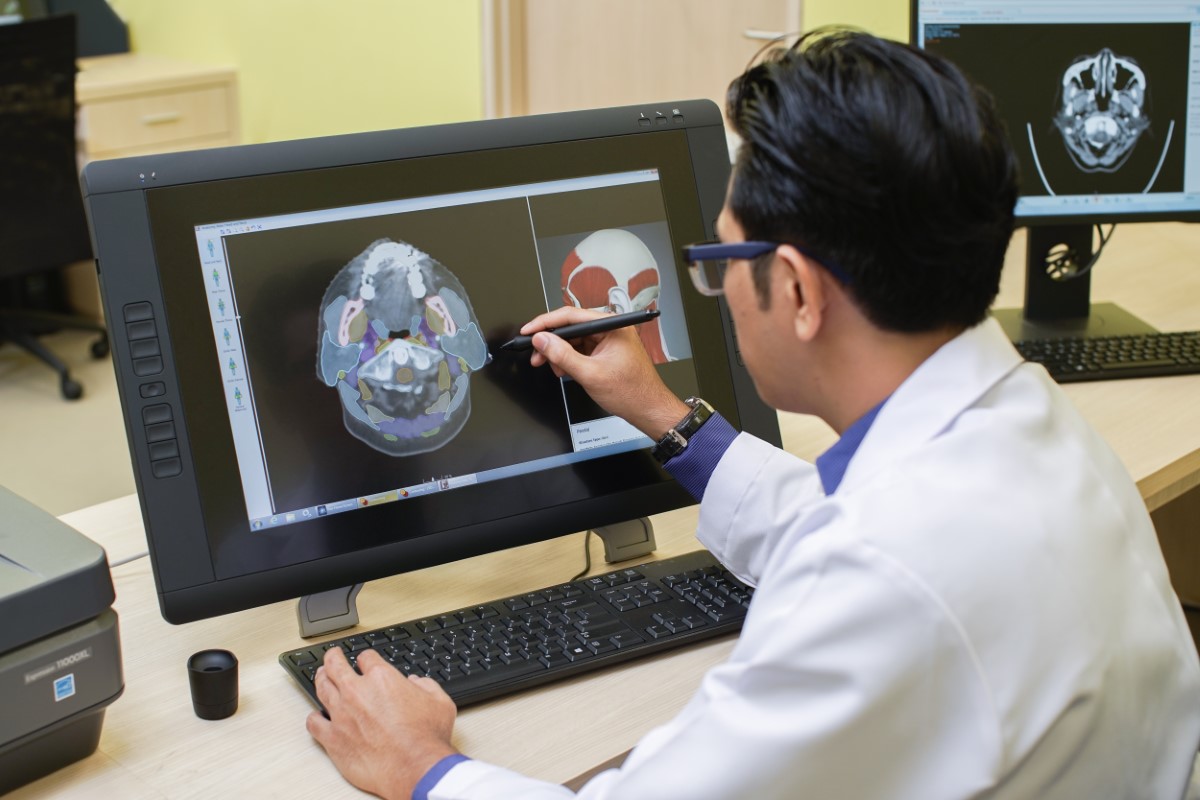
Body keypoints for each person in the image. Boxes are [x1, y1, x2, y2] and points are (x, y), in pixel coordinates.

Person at [305, 29, 1200, 799]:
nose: (720, 287)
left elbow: (872, 569)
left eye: (721, 260)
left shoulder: (884, 580)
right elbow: (851, 530)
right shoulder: (1032, 423)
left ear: (801, 291)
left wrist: (422, 766)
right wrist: (666, 418)